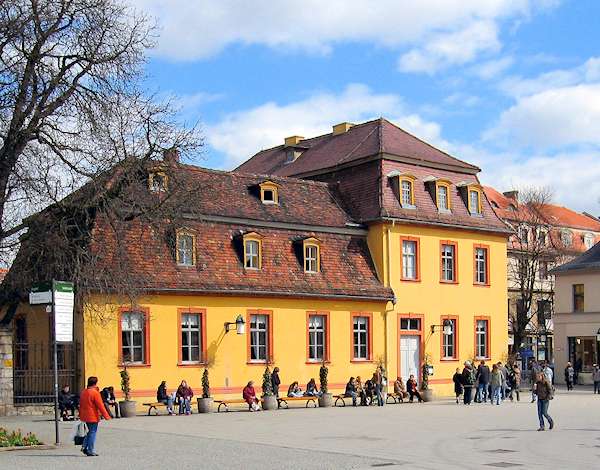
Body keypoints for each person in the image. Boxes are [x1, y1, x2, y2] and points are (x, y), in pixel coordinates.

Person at [79, 376, 111, 457]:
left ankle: (84, 446)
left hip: (85, 416)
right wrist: (106, 416)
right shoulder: (95, 393)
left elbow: (81, 405)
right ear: (95, 383)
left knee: (90, 432)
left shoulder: (84, 392)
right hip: (92, 415)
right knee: (93, 432)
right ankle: (90, 450)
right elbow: (100, 405)